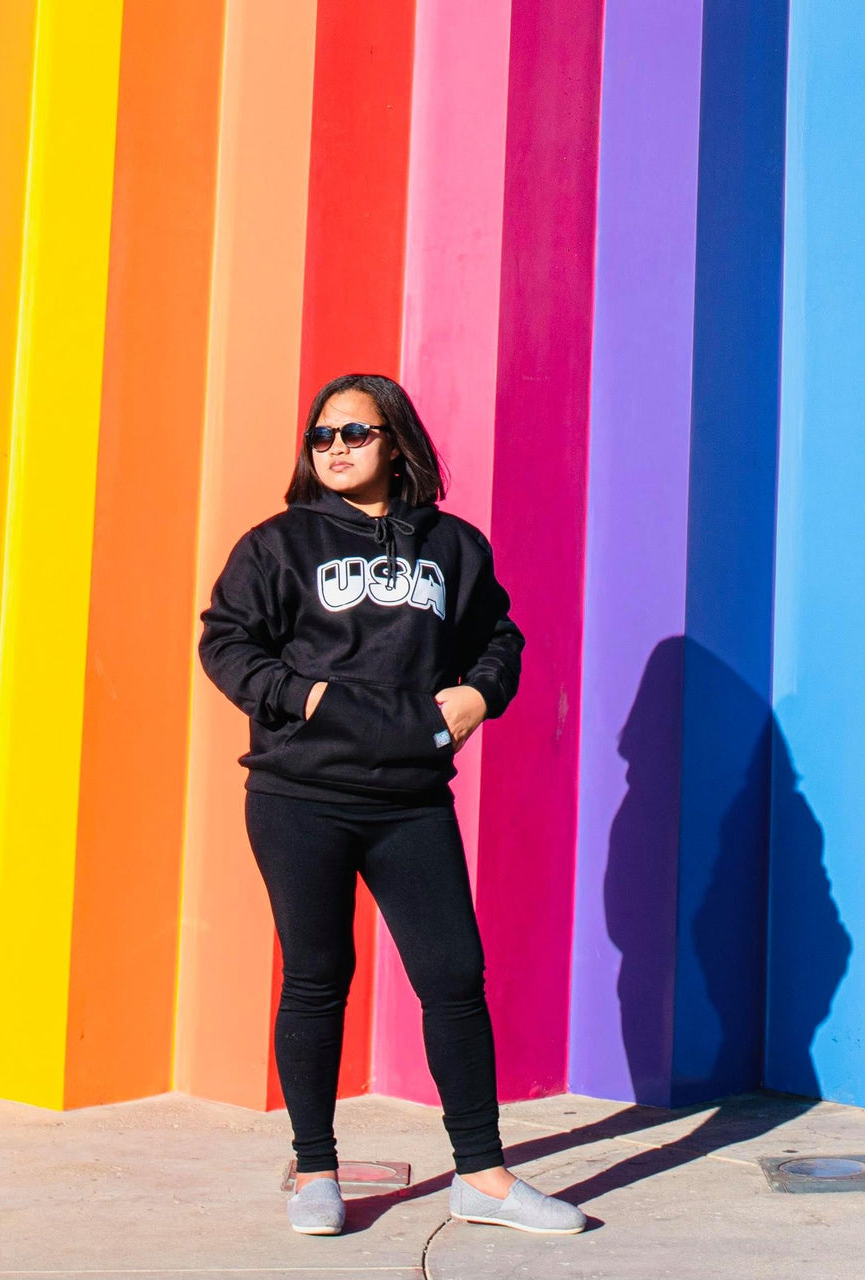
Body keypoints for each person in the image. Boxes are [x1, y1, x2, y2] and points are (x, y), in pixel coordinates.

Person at [198, 373, 586, 1238]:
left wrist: (481, 696)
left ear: (395, 442)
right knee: (317, 975)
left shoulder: (453, 547)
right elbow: (225, 639)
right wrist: (302, 699)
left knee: (452, 979)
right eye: (321, 435)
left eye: (354, 435)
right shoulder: (278, 546)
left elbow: (499, 635)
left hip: (411, 798)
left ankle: (480, 1177)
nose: (334, 448)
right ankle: (314, 1167)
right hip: (301, 796)